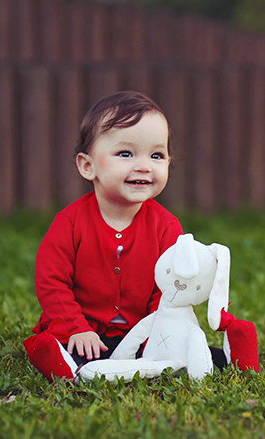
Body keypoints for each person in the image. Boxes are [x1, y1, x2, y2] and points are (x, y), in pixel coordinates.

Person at [23, 91, 239, 381]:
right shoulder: (70, 223)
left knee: (183, 355)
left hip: (142, 333)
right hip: (84, 332)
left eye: (156, 155)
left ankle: (227, 355)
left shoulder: (166, 226)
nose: (143, 165)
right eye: (125, 154)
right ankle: (62, 361)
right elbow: (52, 281)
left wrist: (156, 333)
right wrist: (76, 327)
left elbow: (169, 289)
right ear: (88, 166)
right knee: (68, 350)